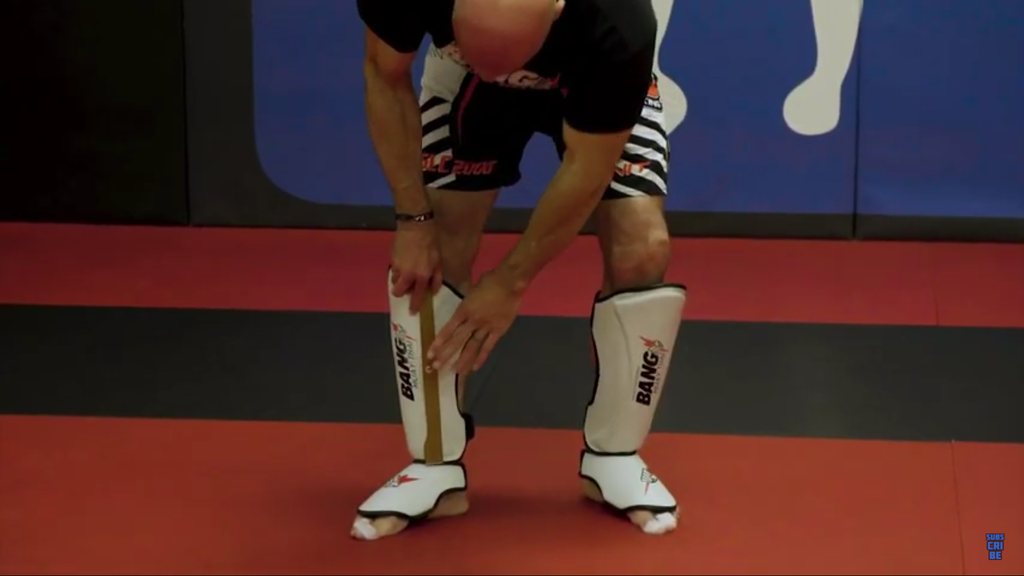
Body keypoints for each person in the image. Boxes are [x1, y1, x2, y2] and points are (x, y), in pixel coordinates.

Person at [353, 0, 687, 541]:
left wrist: (512, 280)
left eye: (508, 64)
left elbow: (588, 166)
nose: (504, 78)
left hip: (588, 75)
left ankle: (615, 456)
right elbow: (382, 73)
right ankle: (435, 466)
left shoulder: (619, 21)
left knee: (643, 248)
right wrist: (412, 220)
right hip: (459, 79)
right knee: (435, 248)